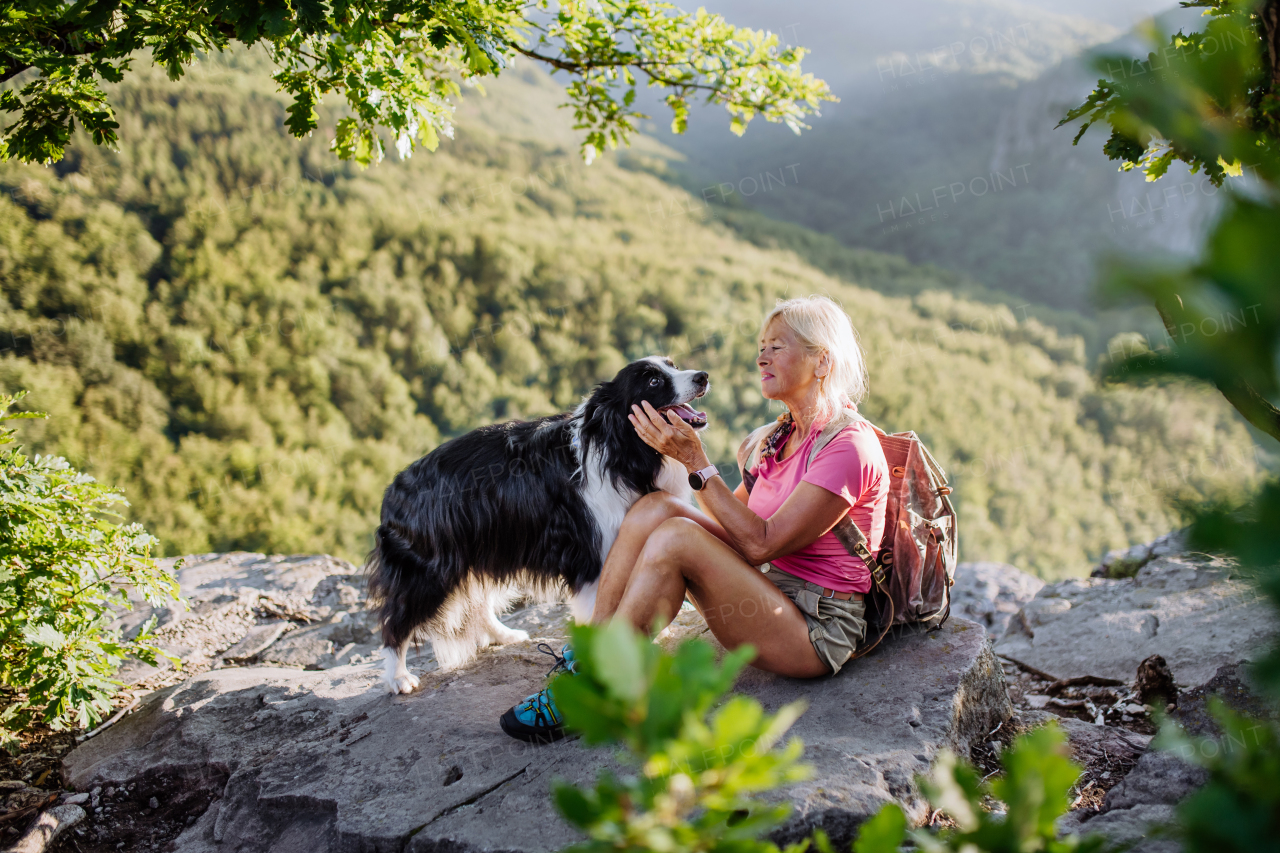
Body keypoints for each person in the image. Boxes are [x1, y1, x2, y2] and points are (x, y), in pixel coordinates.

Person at [500, 295, 890, 743]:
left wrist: (695, 462)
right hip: (766, 590)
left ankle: (597, 686)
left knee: (676, 538)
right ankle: (592, 652)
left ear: (822, 362)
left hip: (815, 628)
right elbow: (736, 525)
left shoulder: (848, 448)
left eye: (777, 346)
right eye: (761, 345)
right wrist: (682, 478)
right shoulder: (778, 438)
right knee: (653, 507)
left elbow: (761, 543)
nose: (761, 356)